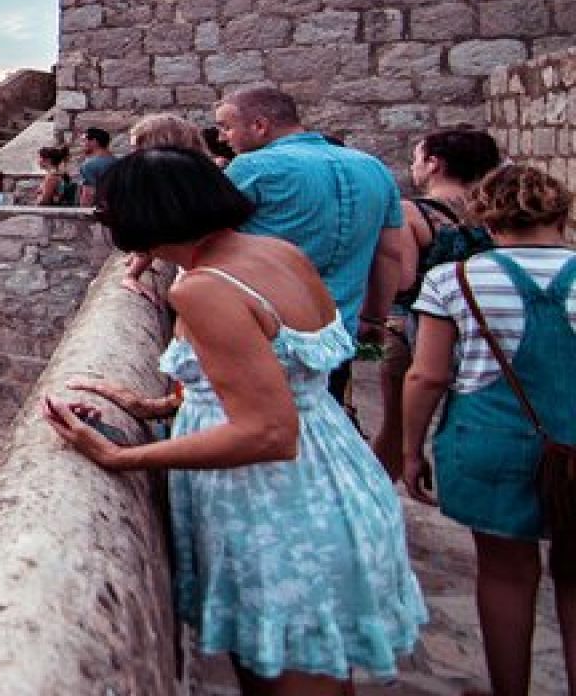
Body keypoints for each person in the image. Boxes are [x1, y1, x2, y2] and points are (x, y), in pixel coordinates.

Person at [47, 149, 425, 694]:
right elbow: (282, 376)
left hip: (278, 506)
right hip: (335, 476)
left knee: (288, 683)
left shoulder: (202, 289)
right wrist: (159, 406)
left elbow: (268, 432)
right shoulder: (280, 253)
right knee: (319, 673)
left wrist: (121, 456)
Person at [402, 164, 575, 696]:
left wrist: (411, 451)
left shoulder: (454, 279)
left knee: (504, 572)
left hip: (489, 441)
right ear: (561, 215)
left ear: (486, 218)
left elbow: (427, 374)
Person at [213, 85, 409, 411]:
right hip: (339, 331)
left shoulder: (250, 168)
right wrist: (374, 318)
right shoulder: (372, 167)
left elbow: (211, 239)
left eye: (226, 127)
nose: (222, 138)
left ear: (259, 125)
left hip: (265, 337)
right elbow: (389, 253)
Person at [370, 127, 501, 473]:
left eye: (416, 158)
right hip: (482, 325)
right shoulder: (495, 212)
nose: (413, 167)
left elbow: (404, 279)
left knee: (396, 425)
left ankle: (387, 491)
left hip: (416, 327)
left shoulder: (412, 213)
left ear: (434, 164)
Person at [119, 114, 212, 302]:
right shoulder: (205, 176)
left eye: (137, 148)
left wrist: (132, 275)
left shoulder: (167, 185)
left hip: (202, 280)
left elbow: (155, 231)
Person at [76, 127, 117, 206]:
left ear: (94, 141)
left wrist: (83, 212)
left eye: (84, 140)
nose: (82, 144)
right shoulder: (117, 162)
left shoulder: (89, 165)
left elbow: (87, 195)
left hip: (96, 211)